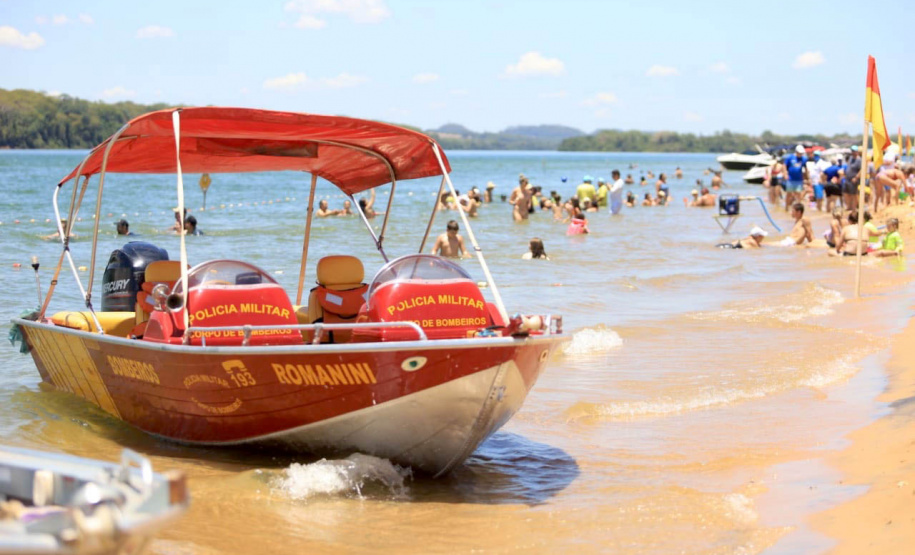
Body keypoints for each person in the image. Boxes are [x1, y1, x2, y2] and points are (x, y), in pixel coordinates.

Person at [781, 145, 808, 211]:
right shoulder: (790, 157)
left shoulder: (804, 159)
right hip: (790, 179)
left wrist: (807, 178)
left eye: (801, 153)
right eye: (799, 153)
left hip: (799, 179)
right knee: (789, 194)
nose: (800, 154)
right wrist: (785, 174)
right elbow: (784, 166)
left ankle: (798, 209)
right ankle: (786, 208)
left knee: (799, 193)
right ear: (796, 152)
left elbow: (805, 168)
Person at [843, 146, 862, 212]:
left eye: (854, 151)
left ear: (857, 152)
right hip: (847, 179)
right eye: (852, 151)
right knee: (846, 193)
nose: (853, 152)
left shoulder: (859, 160)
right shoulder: (851, 158)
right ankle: (849, 207)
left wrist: (856, 177)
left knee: (854, 194)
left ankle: (854, 208)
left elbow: (861, 170)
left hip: (854, 179)